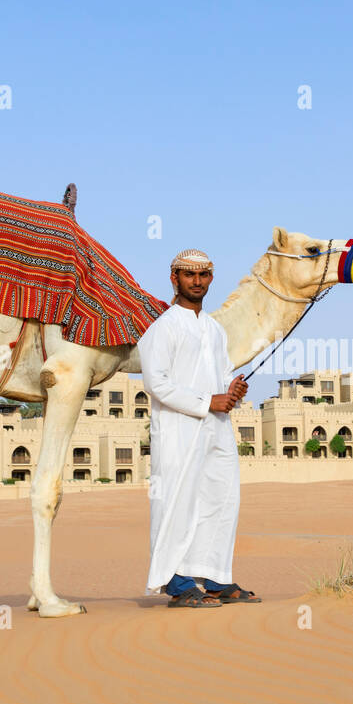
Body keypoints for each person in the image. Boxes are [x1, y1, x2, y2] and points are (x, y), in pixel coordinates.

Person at [137, 248, 261, 609]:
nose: (197, 281)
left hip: (216, 430)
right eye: (188, 275)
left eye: (203, 275)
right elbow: (155, 382)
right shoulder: (163, 328)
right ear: (174, 278)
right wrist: (208, 401)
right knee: (177, 503)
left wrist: (231, 390)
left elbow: (220, 375)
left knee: (221, 500)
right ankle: (176, 582)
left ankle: (215, 578)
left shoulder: (213, 329)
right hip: (179, 432)